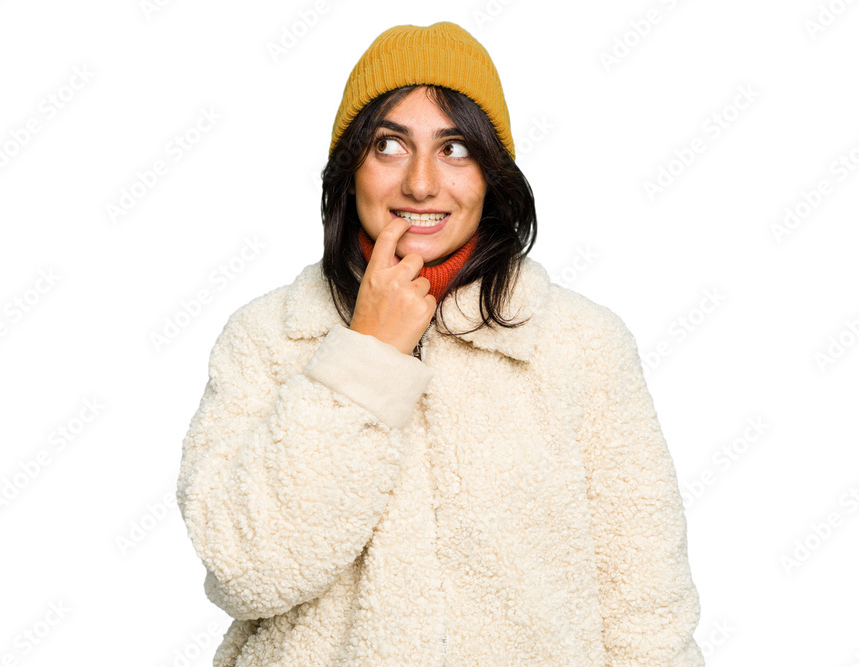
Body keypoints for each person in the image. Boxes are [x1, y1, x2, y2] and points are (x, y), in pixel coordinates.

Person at [176, 20, 705, 666]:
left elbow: (646, 609)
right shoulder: (266, 338)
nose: (422, 183)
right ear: (350, 170)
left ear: (492, 176)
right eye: (390, 146)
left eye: (455, 148)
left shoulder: (581, 346)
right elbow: (246, 567)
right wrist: (366, 354)